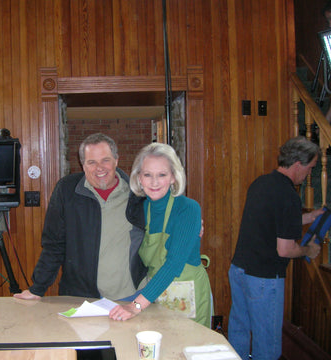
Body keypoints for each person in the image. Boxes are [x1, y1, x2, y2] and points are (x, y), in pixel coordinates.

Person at [14, 133, 147, 300]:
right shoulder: (66, 191)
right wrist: (37, 289)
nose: (100, 168)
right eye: (92, 162)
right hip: (81, 299)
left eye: (105, 160)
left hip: (130, 296)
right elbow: (53, 245)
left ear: (116, 160)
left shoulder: (137, 194)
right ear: (83, 165)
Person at [228, 136, 323, 360]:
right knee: (267, 345)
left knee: (239, 331)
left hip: (239, 270)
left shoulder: (261, 183)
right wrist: (307, 251)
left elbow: (273, 221)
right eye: (310, 168)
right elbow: (285, 250)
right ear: (298, 164)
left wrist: (309, 217)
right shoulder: (289, 196)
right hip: (264, 279)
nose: (309, 174)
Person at [109, 142, 213, 328]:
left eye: (162, 175)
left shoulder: (188, 209)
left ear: (173, 177)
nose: (154, 182)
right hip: (155, 292)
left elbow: (173, 265)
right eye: (147, 175)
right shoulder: (138, 209)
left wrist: (136, 306)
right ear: (139, 177)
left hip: (188, 294)